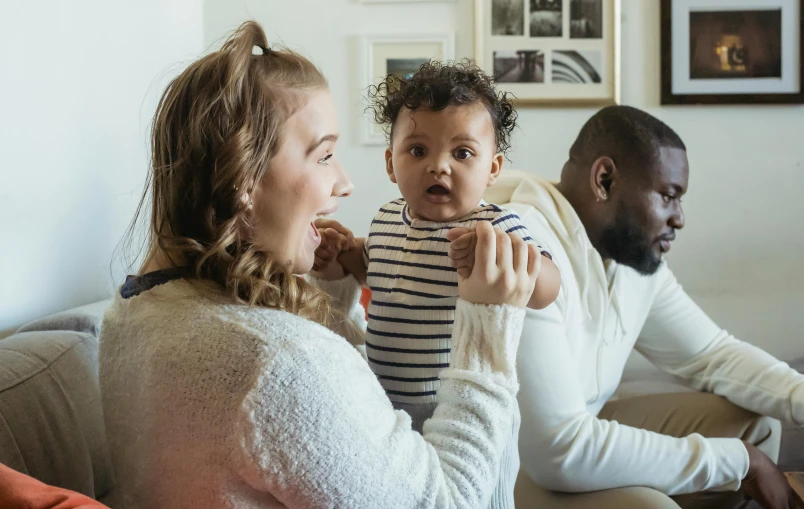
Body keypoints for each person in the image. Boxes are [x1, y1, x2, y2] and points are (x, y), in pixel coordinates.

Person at [98, 20, 542, 509]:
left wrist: (333, 284)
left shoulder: (133, 311)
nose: (345, 183)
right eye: (325, 154)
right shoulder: (279, 365)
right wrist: (488, 330)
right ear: (243, 177)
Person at [450, 105, 804, 509]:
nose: (680, 218)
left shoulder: (629, 255)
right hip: (507, 466)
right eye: (668, 196)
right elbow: (558, 450)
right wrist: (741, 462)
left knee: (755, 427)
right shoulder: (523, 248)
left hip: (575, 433)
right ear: (605, 180)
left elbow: (712, 356)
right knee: (652, 506)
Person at [313, 60, 561, 509]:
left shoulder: (496, 224)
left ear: (493, 168)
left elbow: (547, 286)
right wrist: (346, 256)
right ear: (391, 163)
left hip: (463, 408)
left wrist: (499, 256)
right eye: (418, 151)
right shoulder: (388, 218)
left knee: (480, 498)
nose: (438, 167)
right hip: (387, 403)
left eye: (462, 153)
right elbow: (382, 276)